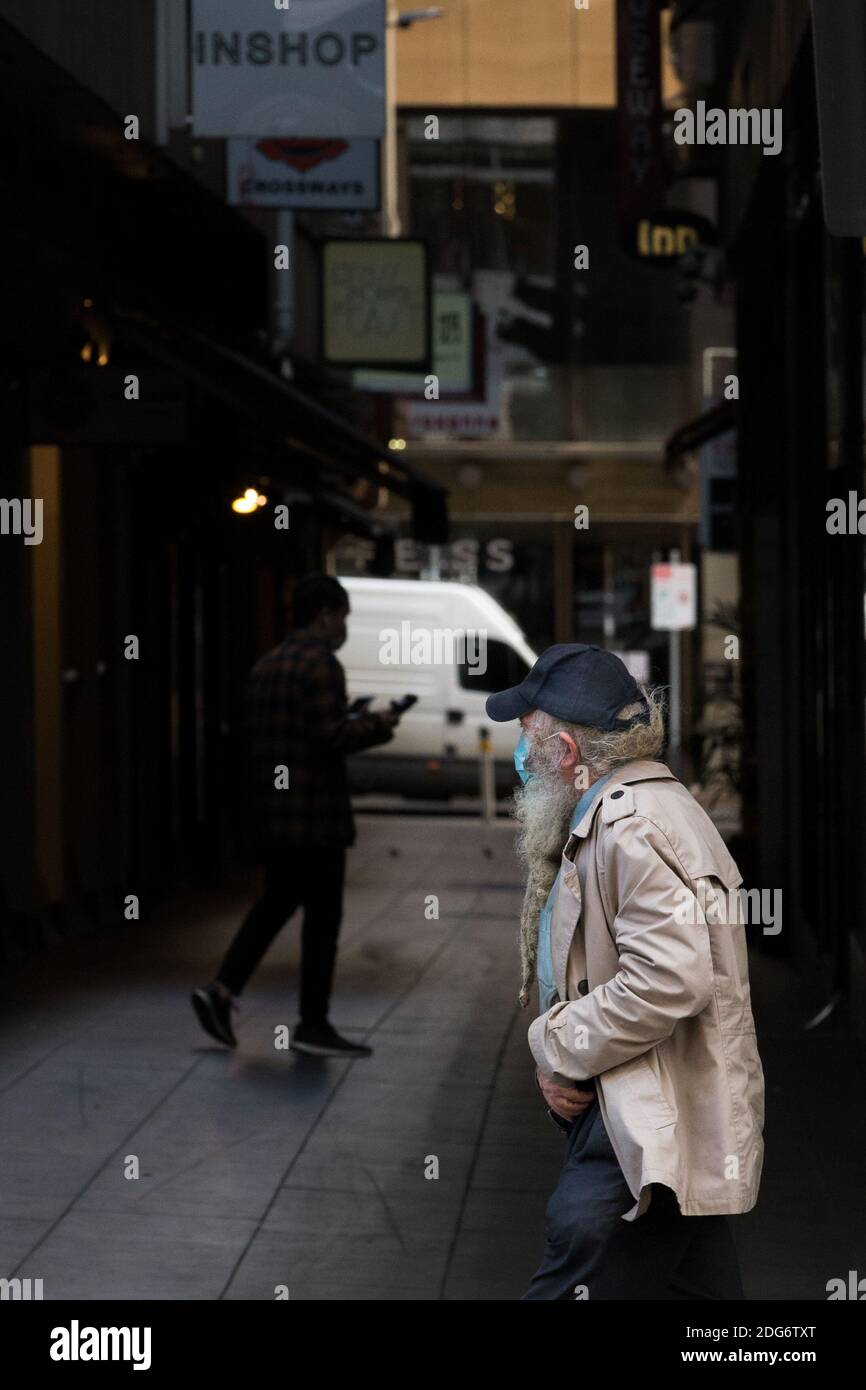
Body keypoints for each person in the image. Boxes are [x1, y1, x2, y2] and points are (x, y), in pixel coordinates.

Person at [485, 643, 765, 1300]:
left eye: (529, 737)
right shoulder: (636, 806)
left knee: (575, 1265)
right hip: (657, 1114)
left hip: (640, 1121)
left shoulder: (629, 823)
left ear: (567, 752)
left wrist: (557, 1046)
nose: (521, 757)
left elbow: (669, 978)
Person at [191, 573, 401, 1058]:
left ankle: (221, 991)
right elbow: (331, 737)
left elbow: (286, 734)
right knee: (322, 920)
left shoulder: (266, 665)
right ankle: (312, 1022)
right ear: (326, 614)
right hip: (316, 817)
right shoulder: (320, 663)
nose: (344, 627)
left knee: (274, 904)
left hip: (273, 815)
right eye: (343, 617)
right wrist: (377, 725)